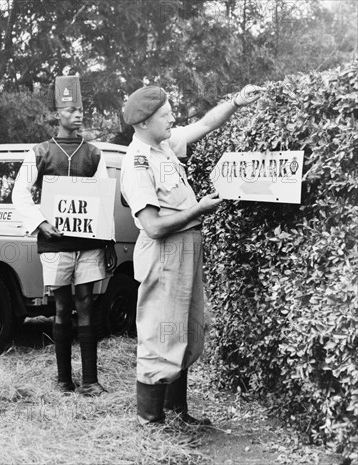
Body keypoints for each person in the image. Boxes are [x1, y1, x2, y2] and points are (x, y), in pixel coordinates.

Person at [120, 84, 263, 424]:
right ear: (142, 124)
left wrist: (236, 102)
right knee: (161, 332)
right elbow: (153, 226)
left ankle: (177, 411)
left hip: (185, 248)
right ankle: (150, 423)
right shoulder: (137, 163)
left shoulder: (164, 144)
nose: (173, 118)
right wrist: (198, 210)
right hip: (165, 250)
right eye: (164, 115)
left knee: (184, 329)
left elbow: (205, 125)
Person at [12, 75, 117, 396]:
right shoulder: (41, 152)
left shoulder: (94, 154)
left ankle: (89, 380)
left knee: (86, 303)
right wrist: (41, 223)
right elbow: (19, 193)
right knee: (60, 306)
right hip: (55, 243)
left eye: (81, 109)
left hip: (87, 244)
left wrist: (108, 240)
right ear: (58, 114)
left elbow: (101, 199)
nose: (78, 114)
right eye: (71, 109)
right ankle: (62, 380)